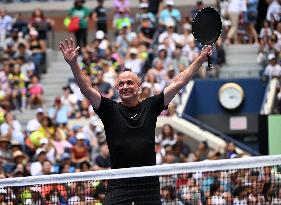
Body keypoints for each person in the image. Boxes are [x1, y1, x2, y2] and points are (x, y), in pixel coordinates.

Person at [59, 38, 212, 204]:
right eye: (121, 84)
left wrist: (201, 58)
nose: (125, 86)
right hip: (119, 182)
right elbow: (86, 89)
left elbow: (178, 81)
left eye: (129, 82)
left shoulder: (151, 106)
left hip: (148, 183)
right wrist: (73, 63)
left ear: (139, 87)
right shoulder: (109, 109)